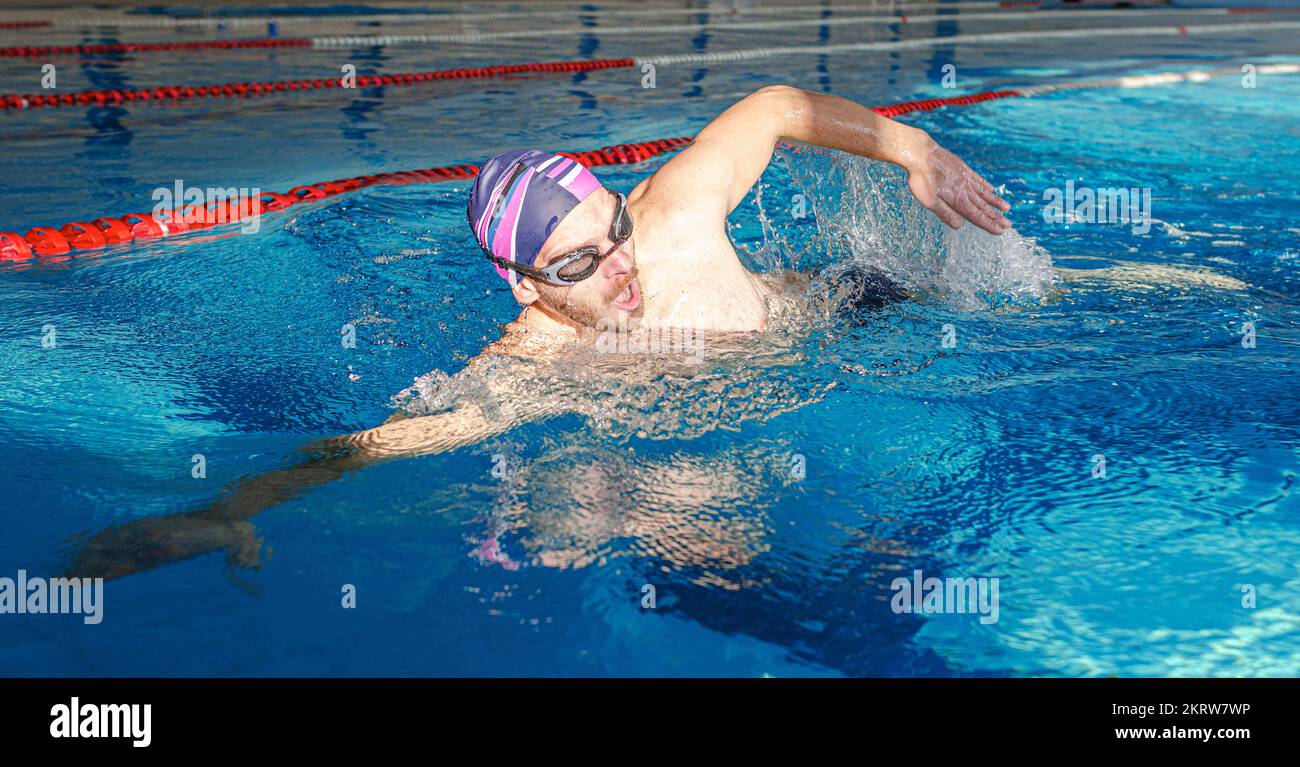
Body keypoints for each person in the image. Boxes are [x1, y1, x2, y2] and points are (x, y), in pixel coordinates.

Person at [67, 84, 1010, 580]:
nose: (621, 265)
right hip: (773, 407)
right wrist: (229, 505)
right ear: (524, 290)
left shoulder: (672, 213)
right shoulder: (528, 369)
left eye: (615, 232)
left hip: (856, 304)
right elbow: (372, 446)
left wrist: (915, 151)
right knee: (659, 523)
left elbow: (773, 110)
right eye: (577, 266)